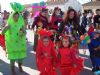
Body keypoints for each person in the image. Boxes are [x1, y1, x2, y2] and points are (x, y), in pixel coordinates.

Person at [2, 3, 27, 75]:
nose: (16, 18)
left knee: (20, 57)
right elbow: (3, 32)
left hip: (19, 42)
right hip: (12, 43)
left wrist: (23, 33)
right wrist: (5, 28)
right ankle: (12, 69)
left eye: (17, 16)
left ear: (19, 17)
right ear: (12, 17)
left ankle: (20, 66)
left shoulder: (20, 24)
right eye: (15, 16)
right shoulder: (9, 24)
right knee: (12, 58)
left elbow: (25, 32)